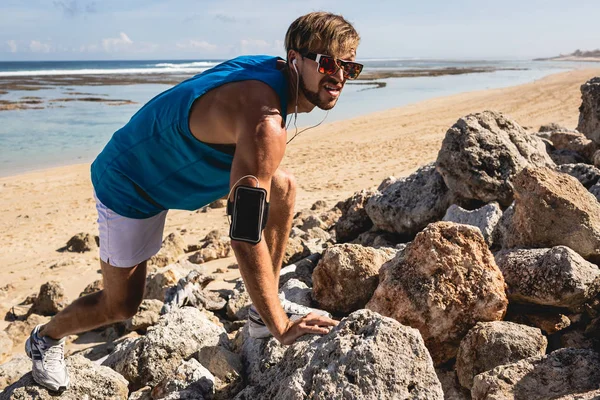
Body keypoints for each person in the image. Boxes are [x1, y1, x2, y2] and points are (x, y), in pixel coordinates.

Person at [25, 11, 363, 392]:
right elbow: (243, 235)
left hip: (182, 168)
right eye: (329, 63)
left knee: (283, 188)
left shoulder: (272, 82)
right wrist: (282, 327)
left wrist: (268, 312)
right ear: (294, 59)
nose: (339, 76)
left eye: (350, 68)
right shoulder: (265, 123)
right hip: (131, 181)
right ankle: (44, 339)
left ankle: (258, 312)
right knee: (120, 305)